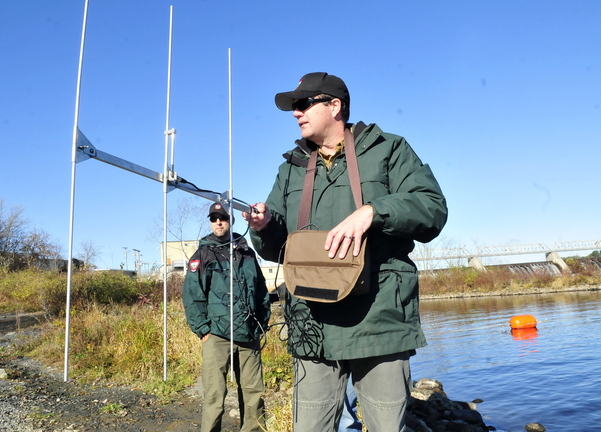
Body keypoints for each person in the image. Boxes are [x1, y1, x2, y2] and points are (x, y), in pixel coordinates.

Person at [243, 72, 448, 432]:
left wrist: (374, 211)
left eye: (303, 103)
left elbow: (432, 208)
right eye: (294, 107)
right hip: (311, 325)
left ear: (334, 105)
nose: (295, 112)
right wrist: (263, 228)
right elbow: (277, 249)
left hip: (379, 321)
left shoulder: (388, 149)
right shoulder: (289, 169)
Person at [183, 202, 271, 432]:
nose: (218, 222)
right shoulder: (203, 254)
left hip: (248, 332)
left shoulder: (246, 252)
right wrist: (203, 329)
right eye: (213, 218)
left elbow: (260, 289)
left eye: (222, 218)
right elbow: (193, 296)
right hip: (217, 334)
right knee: (214, 393)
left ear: (230, 220)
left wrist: (261, 323)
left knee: (253, 391)